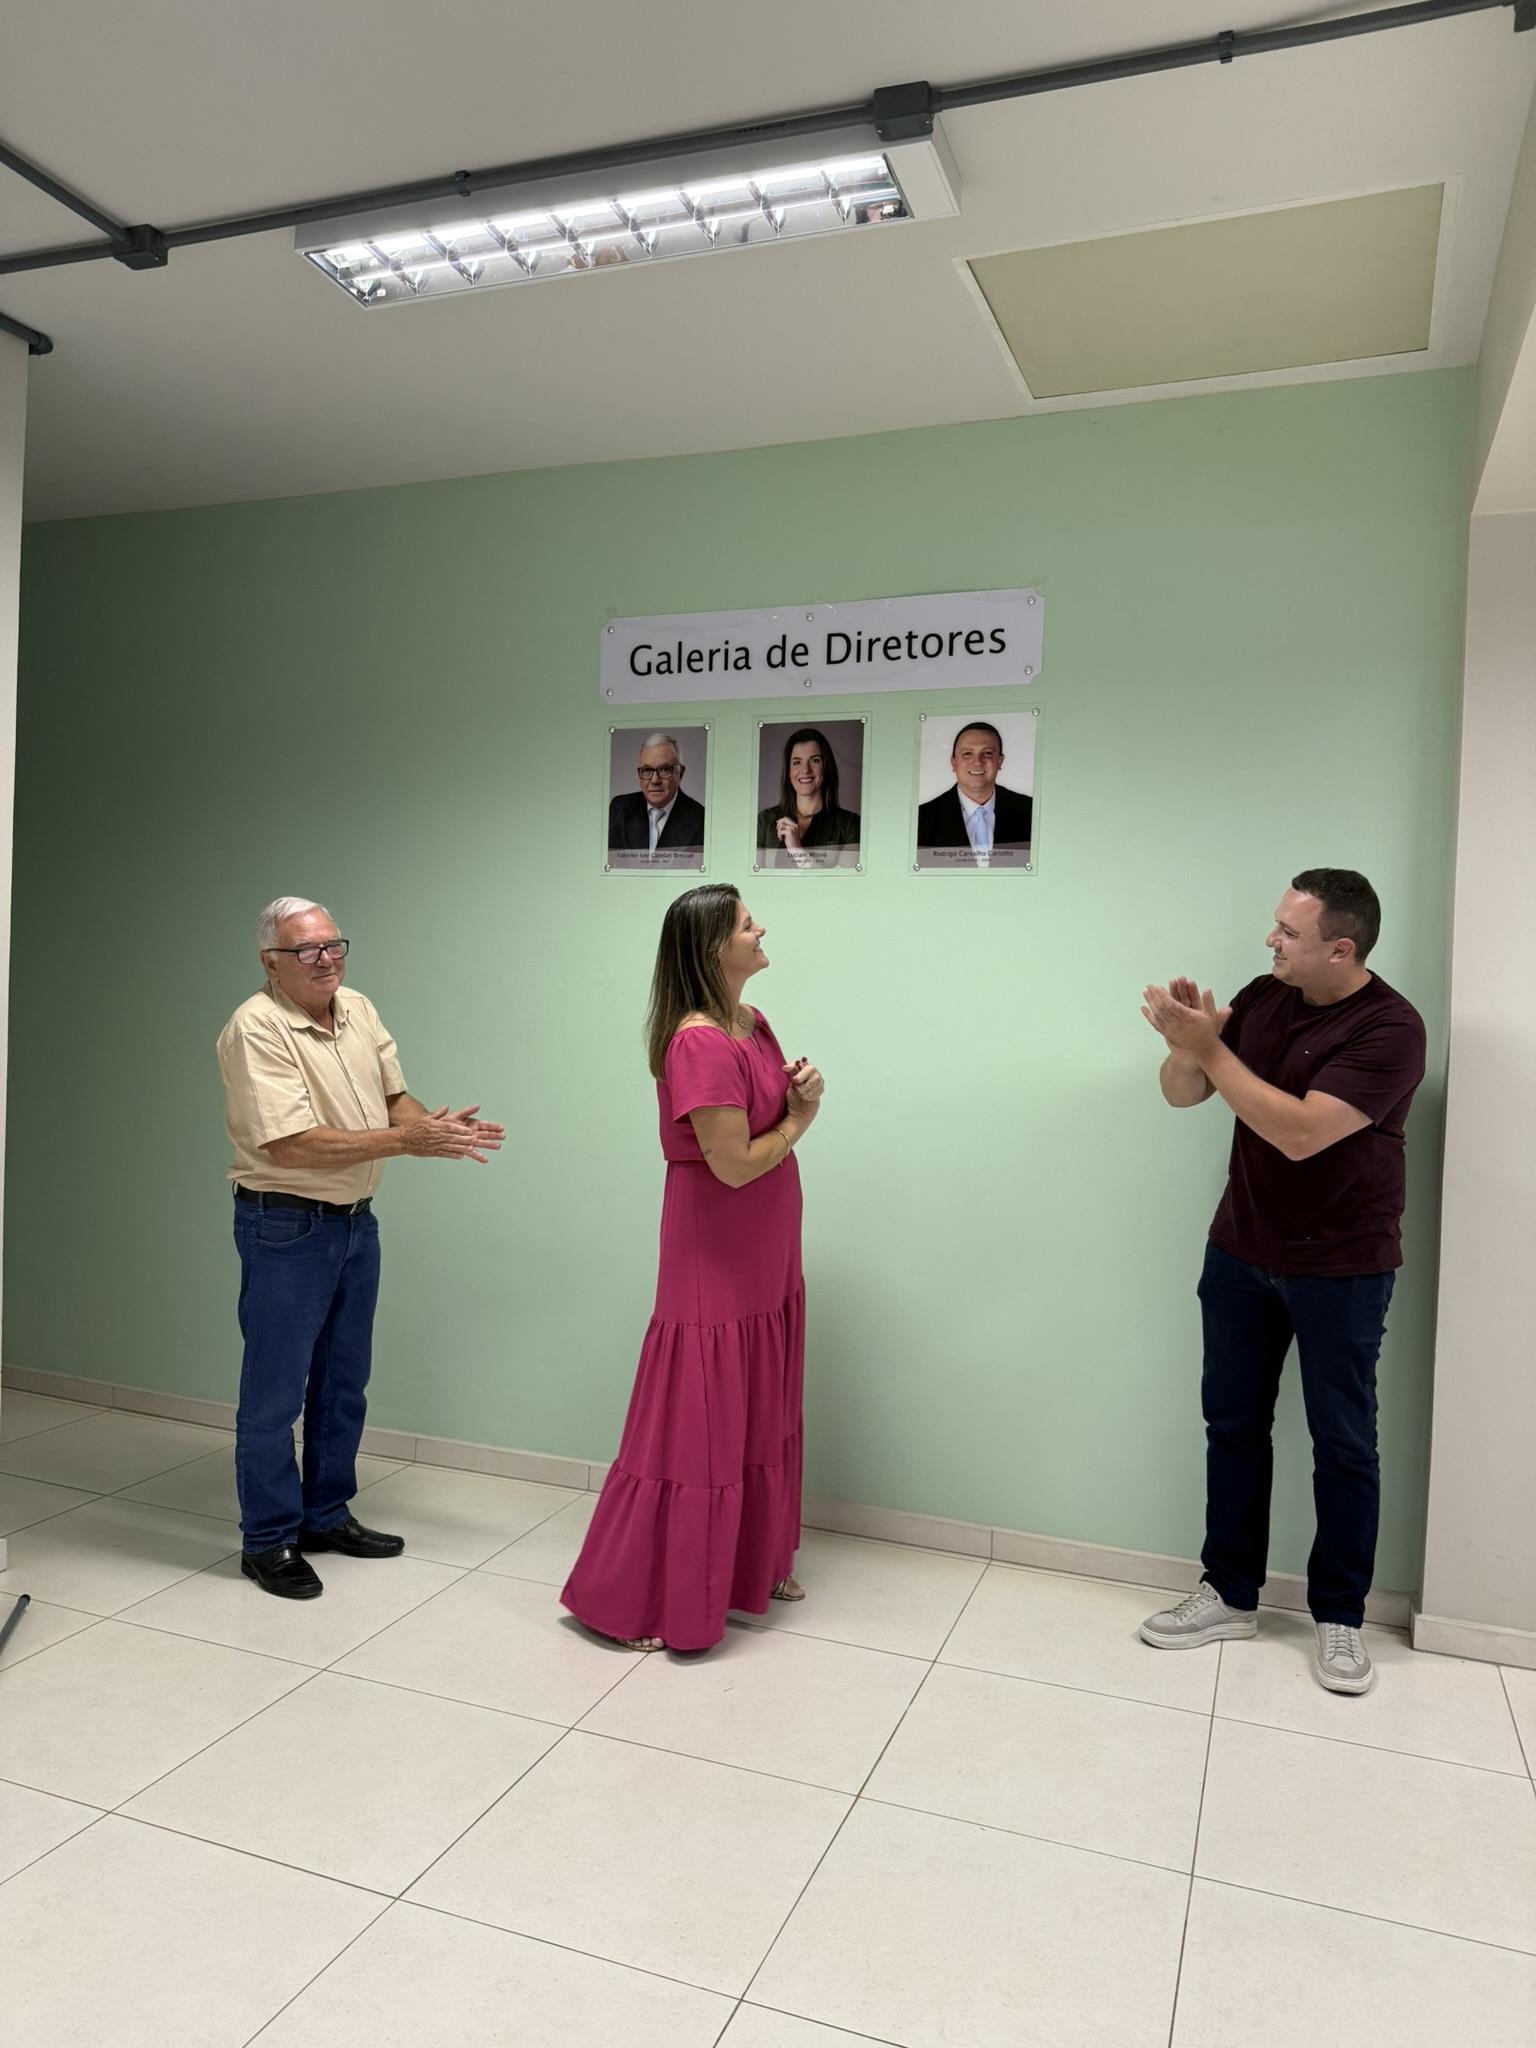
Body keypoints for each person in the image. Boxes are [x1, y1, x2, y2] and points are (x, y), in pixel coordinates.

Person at [1137, 870, 1425, 1694]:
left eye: (1289, 933)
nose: (1271, 941)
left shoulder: (1392, 1029)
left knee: (1344, 1443)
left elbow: (1300, 1134)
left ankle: (1340, 1617)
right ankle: (1230, 1595)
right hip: (1240, 1253)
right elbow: (1184, 1095)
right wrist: (1185, 1050)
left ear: (1342, 948)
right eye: (1276, 925)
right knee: (1232, 1424)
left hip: (1343, 1266)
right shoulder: (1266, 995)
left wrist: (1211, 1049)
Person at [217, 898, 504, 1600]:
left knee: (343, 1383)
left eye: (333, 944)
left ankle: (324, 1515)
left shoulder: (358, 1009)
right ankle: (268, 1540)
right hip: (285, 1227)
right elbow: (291, 1144)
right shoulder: (256, 1028)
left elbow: (396, 1099)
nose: (326, 959)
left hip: (354, 1223)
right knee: (274, 1394)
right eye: (306, 950)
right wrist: (408, 1140)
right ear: (271, 962)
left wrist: (435, 1130)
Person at [562, 884, 824, 1651]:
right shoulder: (699, 1043)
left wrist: (795, 1090)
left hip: (766, 1250)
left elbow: (760, 1116)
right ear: (714, 949)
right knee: (699, 1422)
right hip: (716, 1249)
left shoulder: (753, 1023)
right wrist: (802, 1120)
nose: (760, 928)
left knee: (758, 1407)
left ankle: (750, 1566)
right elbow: (733, 1165)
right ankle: (639, 1600)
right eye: (746, 924)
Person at [915, 720, 1032, 865]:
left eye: (987, 753)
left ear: (999, 762)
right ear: (953, 763)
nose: (977, 762)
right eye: (967, 754)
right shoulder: (922, 819)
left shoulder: (1031, 812)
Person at [756, 726, 861, 868]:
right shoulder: (765, 822)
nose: (805, 770)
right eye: (797, 762)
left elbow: (845, 881)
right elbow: (751, 879)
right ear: (789, 773)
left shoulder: (850, 825)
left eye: (815, 761)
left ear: (826, 768)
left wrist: (797, 851)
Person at [608, 732, 706, 856]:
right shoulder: (620, 810)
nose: (654, 780)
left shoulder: (701, 821)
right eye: (647, 770)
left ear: (680, 773)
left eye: (665, 769)